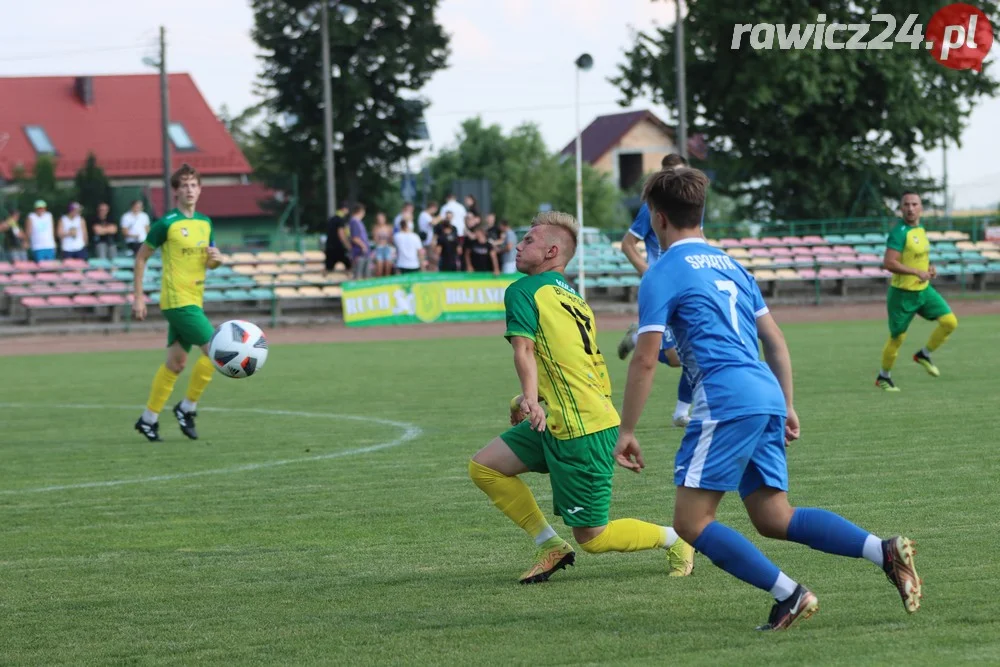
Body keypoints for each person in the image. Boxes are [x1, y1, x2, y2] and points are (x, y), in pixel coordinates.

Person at [614, 167, 921, 631]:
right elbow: (774, 339)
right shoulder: (733, 265)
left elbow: (645, 359)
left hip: (725, 399)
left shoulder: (662, 272)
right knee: (774, 515)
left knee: (691, 523)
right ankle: (882, 549)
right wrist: (788, 403)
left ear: (656, 219)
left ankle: (790, 594)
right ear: (701, 212)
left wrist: (628, 429)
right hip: (765, 391)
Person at [469, 211, 694, 584]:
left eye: (528, 240)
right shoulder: (571, 297)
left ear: (551, 251)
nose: (518, 245)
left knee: (593, 537)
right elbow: (566, 364)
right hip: (563, 418)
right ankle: (549, 545)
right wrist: (527, 400)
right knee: (485, 467)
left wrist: (531, 398)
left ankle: (675, 538)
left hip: (582, 430)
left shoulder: (524, 290)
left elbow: (524, 350)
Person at [132, 164, 223, 443]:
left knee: (176, 363)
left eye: (194, 184)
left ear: (200, 189)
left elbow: (208, 261)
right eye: (183, 185)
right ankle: (187, 408)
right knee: (218, 353)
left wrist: (216, 260)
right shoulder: (166, 224)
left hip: (194, 300)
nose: (189, 189)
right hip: (177, 301)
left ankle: (148, 419)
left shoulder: (205, 223)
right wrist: (138, 297)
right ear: (175, 192)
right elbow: (141, 258)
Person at [617, 153, 693, 428]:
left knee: (687, 353)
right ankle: (638, 337)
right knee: (676, 358)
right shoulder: (650, 209)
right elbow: (627, 244)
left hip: (686, 284)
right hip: (664, 289)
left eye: (683, 175)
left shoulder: (692, 207)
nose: (679, 182)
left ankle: (681, 412)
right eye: (673, 176)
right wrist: (650, 274)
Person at [875, 191, 958, 391]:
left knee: (949, 322)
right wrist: (915, 272)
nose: (910, 208)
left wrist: (929, 268)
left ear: (921, 208)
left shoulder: (920, 229)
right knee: (898, 338)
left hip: (923, 291)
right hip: (902, 294)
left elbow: (919, 257)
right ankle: (883, 377)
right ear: (901, 208)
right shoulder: (899, 232)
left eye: (914, 204)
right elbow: (888, 263)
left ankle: (924, 354)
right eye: (906, 204)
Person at [324, 202, 351, 273]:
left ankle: (323, 282)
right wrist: (348, 245)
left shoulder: (331, 219)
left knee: (328, 268)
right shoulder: (341, 219)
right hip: (339, 248)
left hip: (329, 247)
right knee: (349, 265)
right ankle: (350, 281)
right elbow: (341, 234)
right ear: (344, 209)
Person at [348, 204, 371, 280]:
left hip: (363, 253)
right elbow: (355, 238)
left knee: (365, 275)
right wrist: (363, 246)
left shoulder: (358, 222)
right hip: (359, 253)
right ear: (361, 211)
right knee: (358, 275)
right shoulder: (354, 222)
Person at [371, 212, 394, 277]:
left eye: (381, 218)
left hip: (387, 247)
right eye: (379, 219)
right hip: (379, 248)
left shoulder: (389, 227)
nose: (380, 220)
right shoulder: (375, 228)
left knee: (388, 265)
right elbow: (375, 239)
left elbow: (391, 239)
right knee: (379, 266)